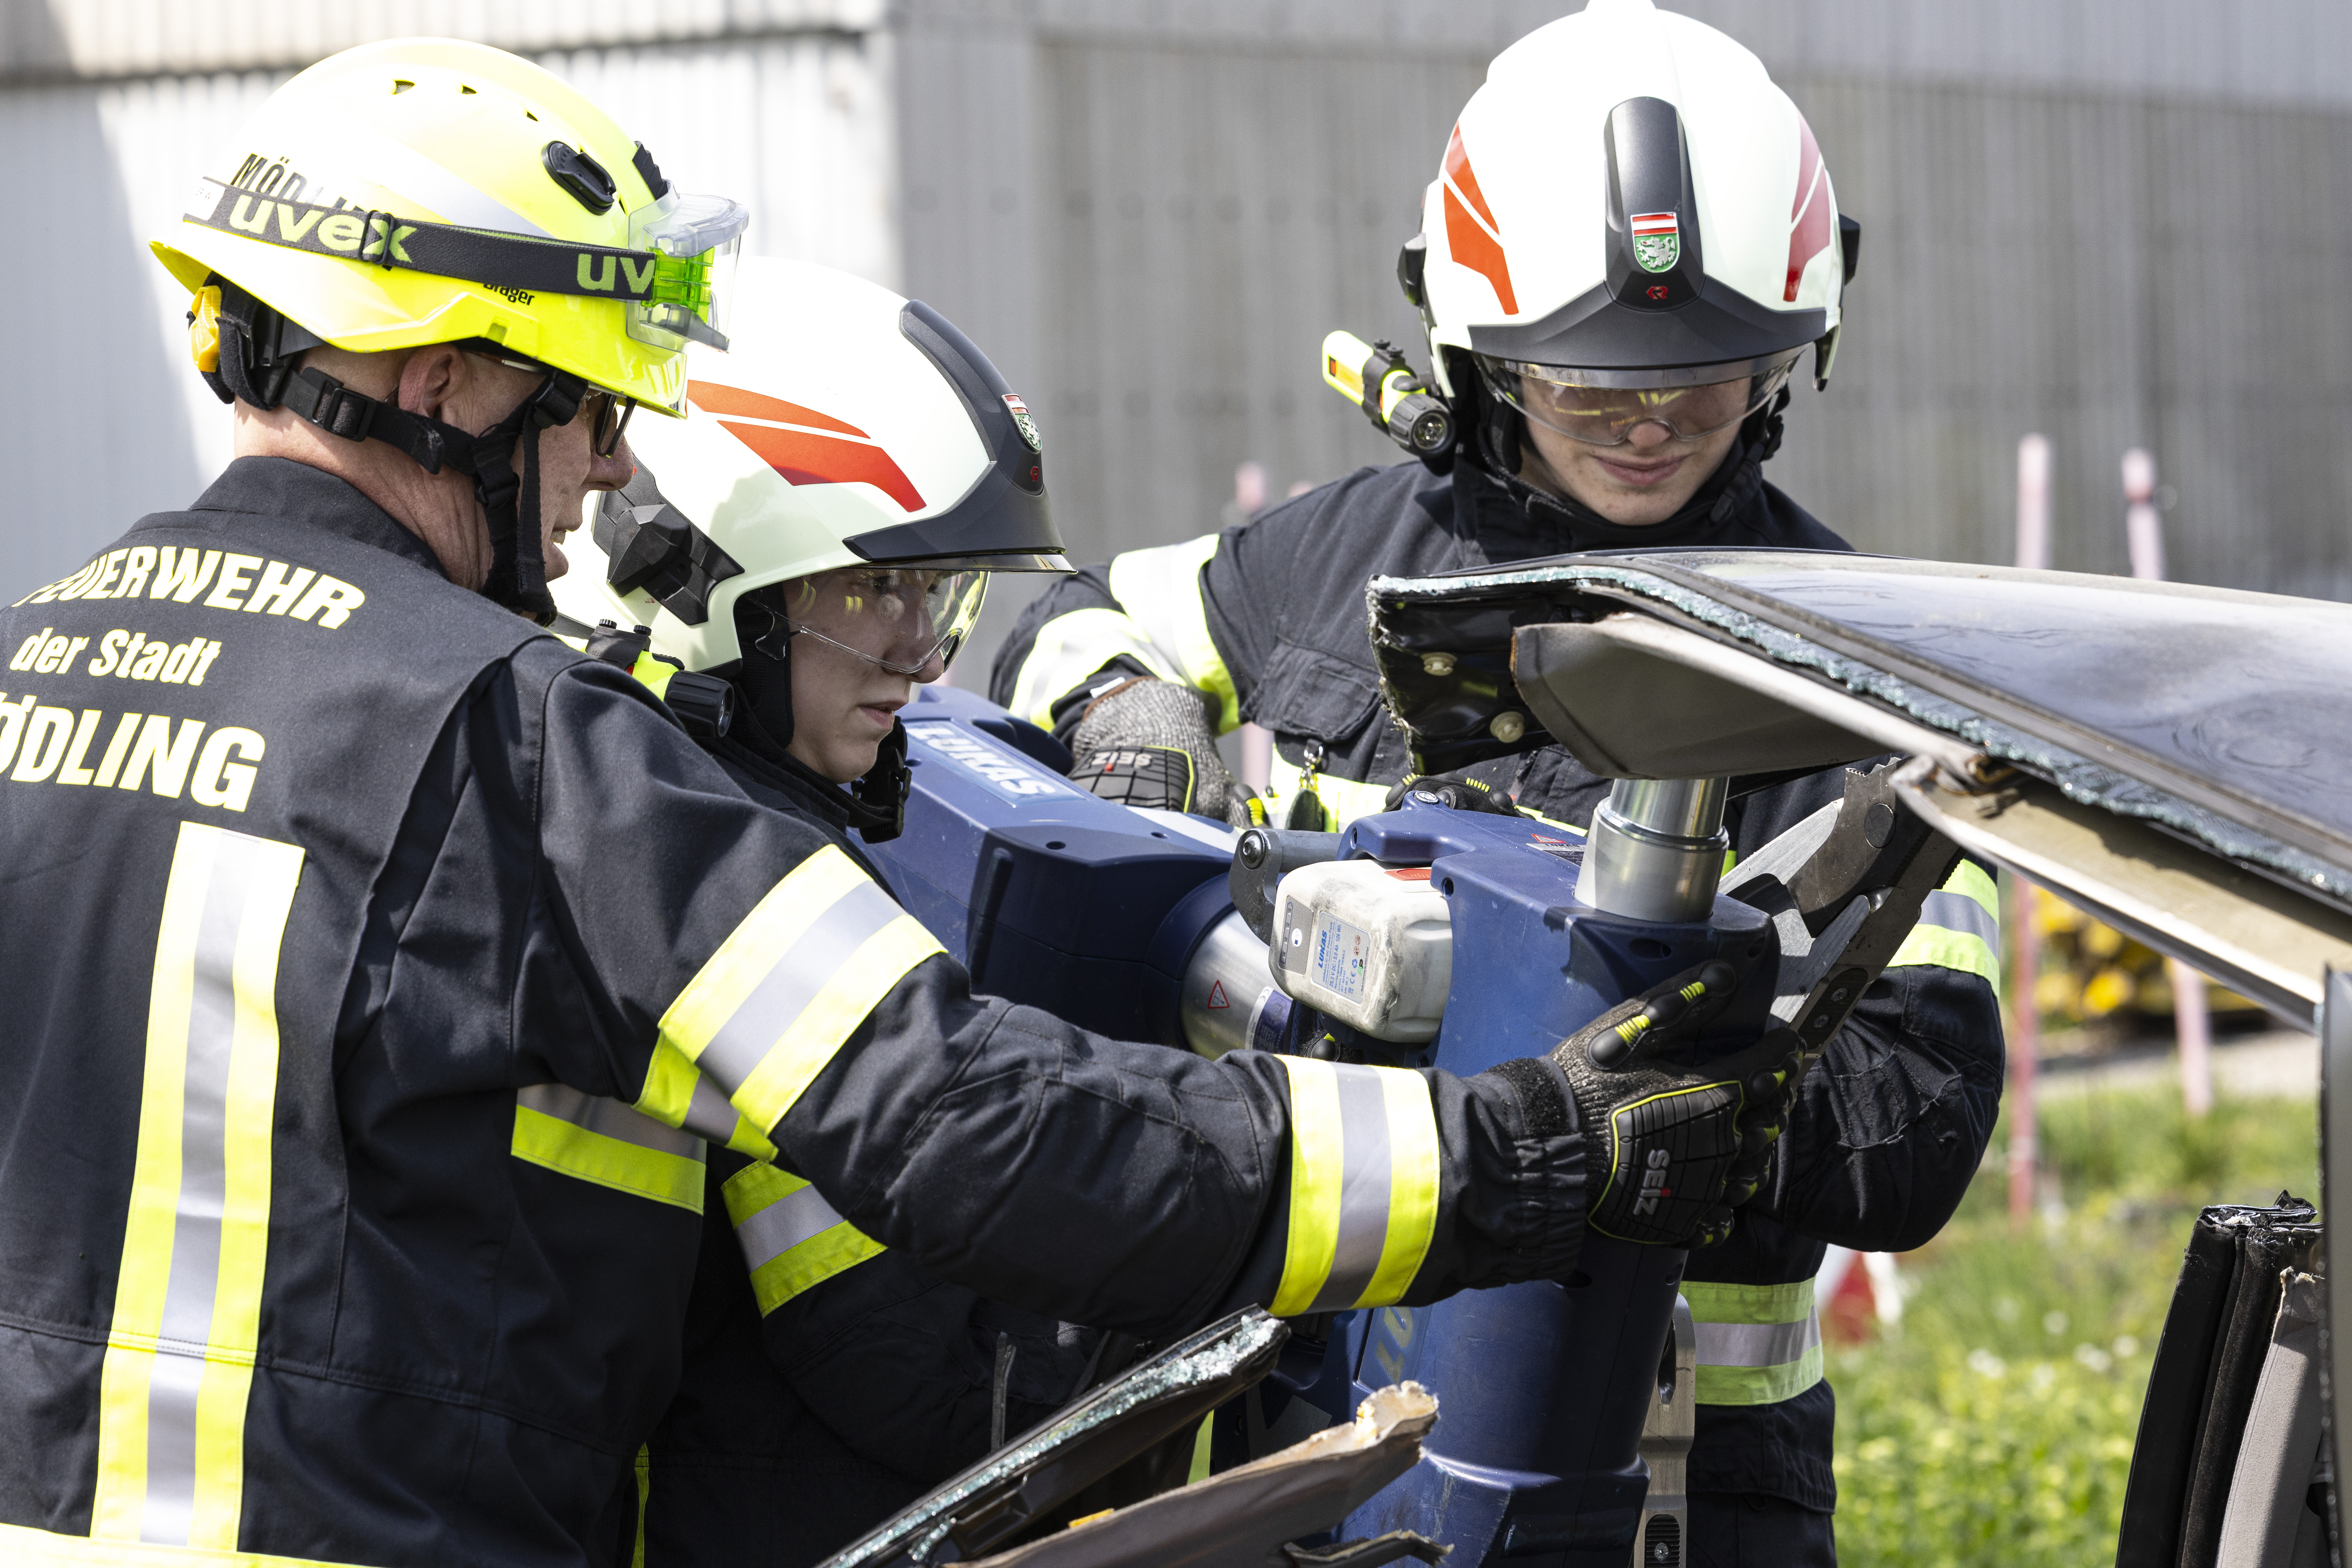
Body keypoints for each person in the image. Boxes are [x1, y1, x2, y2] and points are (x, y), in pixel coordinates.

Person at [0, 37, 1796, 1568]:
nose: (614, 464)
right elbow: (980, 1123)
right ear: (441, 376)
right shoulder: (531, 746)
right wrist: (1509, 1152)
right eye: (587, 403)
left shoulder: (32, 667)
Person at [991, 4, 2006, 1562]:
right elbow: (1065, 616)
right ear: (1474, 354)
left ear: (1790, 359)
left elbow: (1925, 1119)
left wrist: (1689, 1109)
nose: (1650, 424)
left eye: (1705, 381)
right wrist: (1121, 699)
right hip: (1311, 1412)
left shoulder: (1862, 670)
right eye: (1588, 387)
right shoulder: (1337, 563)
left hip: (1672, 1477)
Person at [555, 259, 1108, 1565]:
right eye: (872, 592)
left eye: (936, 594)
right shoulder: (731, 872)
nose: (920, 650)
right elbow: (917, 1372)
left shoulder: (624, 787)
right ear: (708, 591)